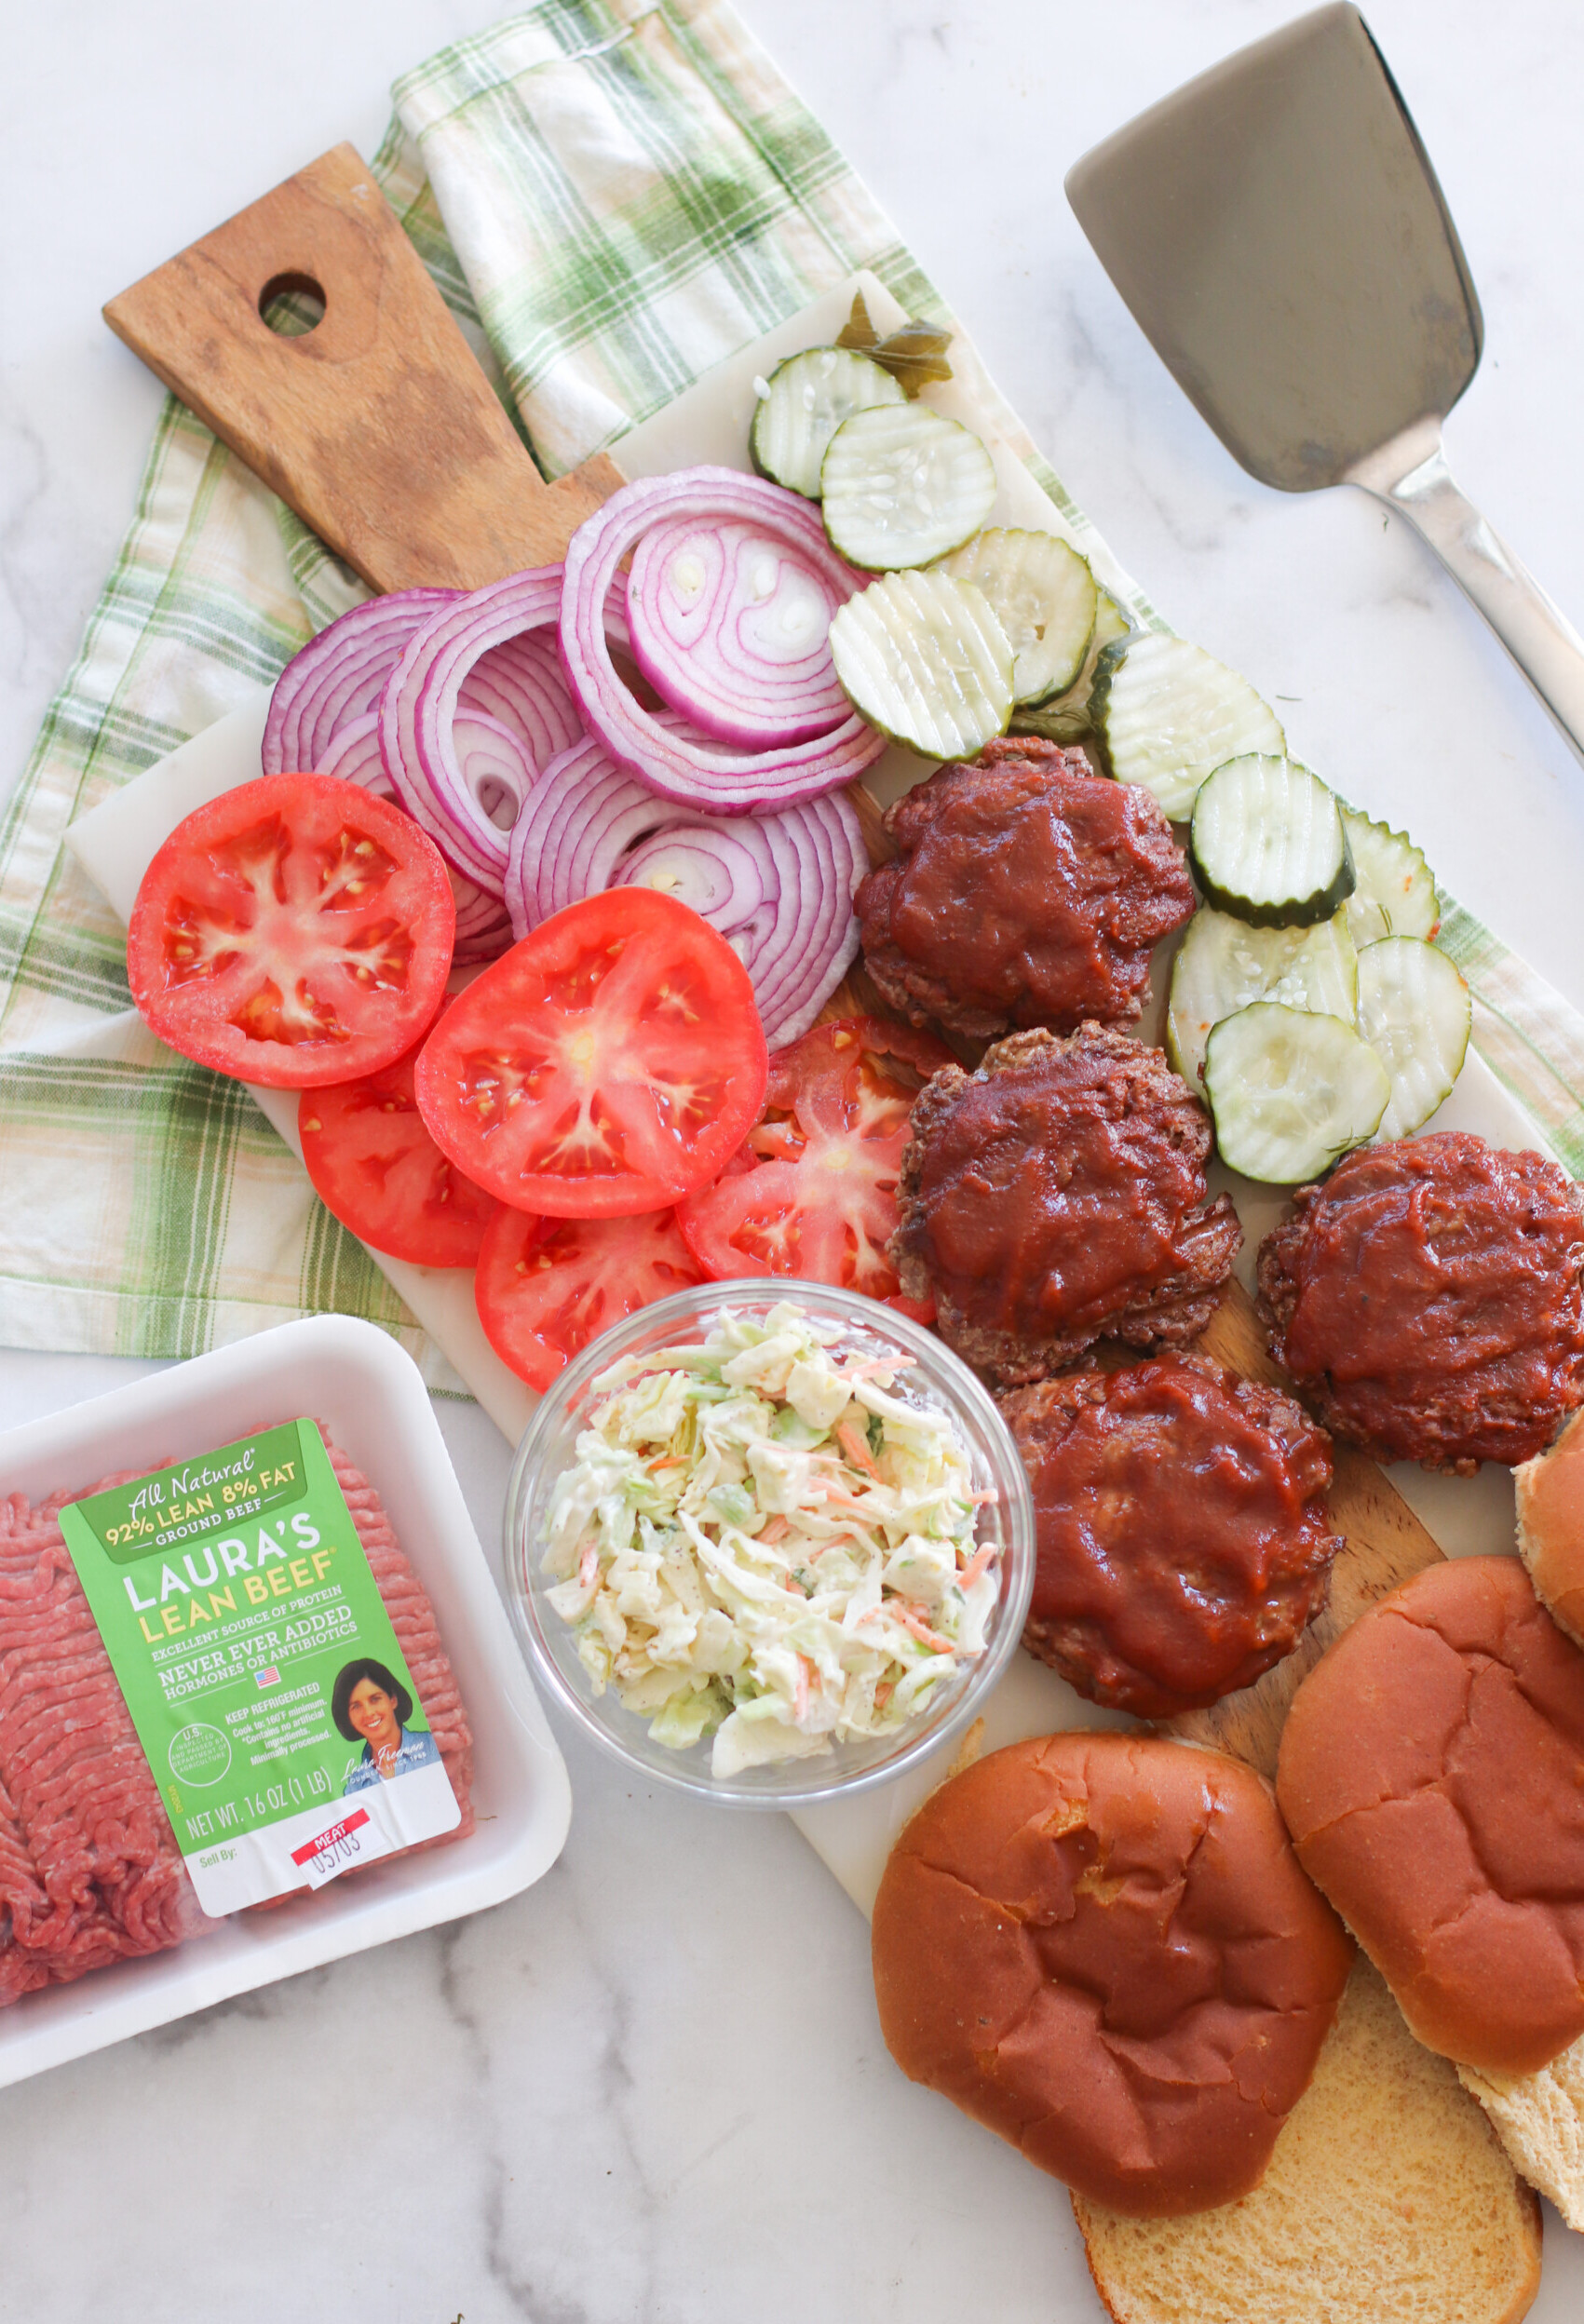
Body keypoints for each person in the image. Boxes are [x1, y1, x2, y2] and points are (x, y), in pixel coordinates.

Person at [331, 1657, 440, 1795]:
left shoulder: (432, 1746)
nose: (369, 1713)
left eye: (375, 1699)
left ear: (393, 1699)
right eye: (356, 1706)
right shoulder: (355, 1786)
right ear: (348, 1717)